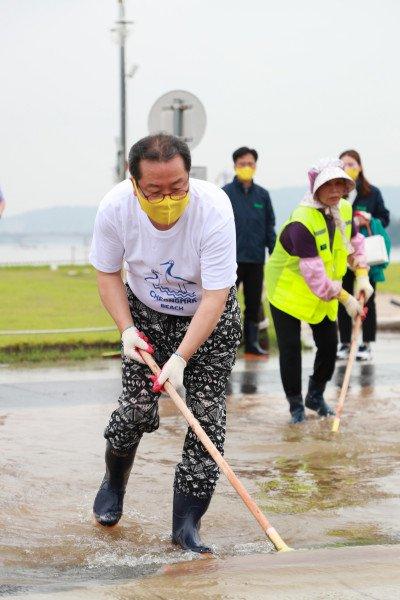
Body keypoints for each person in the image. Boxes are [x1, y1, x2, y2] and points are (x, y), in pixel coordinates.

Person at [89, 134, 241, 553]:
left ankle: (186, 525)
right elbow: (107, 273)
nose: (168, 198)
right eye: (155, 190)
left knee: (206, 420)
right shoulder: (116, 208)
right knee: (135, 409)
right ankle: (114, 483)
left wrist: (180, 357)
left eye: (177, 187)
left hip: (209, 318)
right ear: (134, 181)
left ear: (189, 175)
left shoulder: (213, 209)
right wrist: (125, 330)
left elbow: (216, 295)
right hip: (145, 314)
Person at [265, 158, 372, 424]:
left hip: (325, 290)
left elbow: (355, 244)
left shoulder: (344, 210)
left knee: (328, 345)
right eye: (329, 185)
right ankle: (295, 406)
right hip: (288, 290)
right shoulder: (301, 222)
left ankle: (315, 395)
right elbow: (315, 278)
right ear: (315, 187)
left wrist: (362, 275)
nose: (336, 190)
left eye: (340, 184)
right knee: (290, 350)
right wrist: (347, 298)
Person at [337, 150, 390, 361]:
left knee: (367, 297)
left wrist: (369, 218)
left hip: (365, 254)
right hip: (342, 253)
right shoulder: (336, 191)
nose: (348, 167)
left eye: (351, 163)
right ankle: (345, 342)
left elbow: (384, 218)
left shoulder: (372, 193)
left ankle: (366, 344)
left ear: (359, 166)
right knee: (343, 297)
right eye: (344, 164)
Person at [223, 147, 276, 356]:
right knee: (226, 304)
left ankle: (252, 343)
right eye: (242, 163)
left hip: (255, 259)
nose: (247, 167)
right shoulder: (225, 193)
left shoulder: (262, 195)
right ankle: (226, 344)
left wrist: (274, 252)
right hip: (230, 260)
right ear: (235, 165)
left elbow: (269, 226)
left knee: (253, 304)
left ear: (256, 166)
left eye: (251, 164)